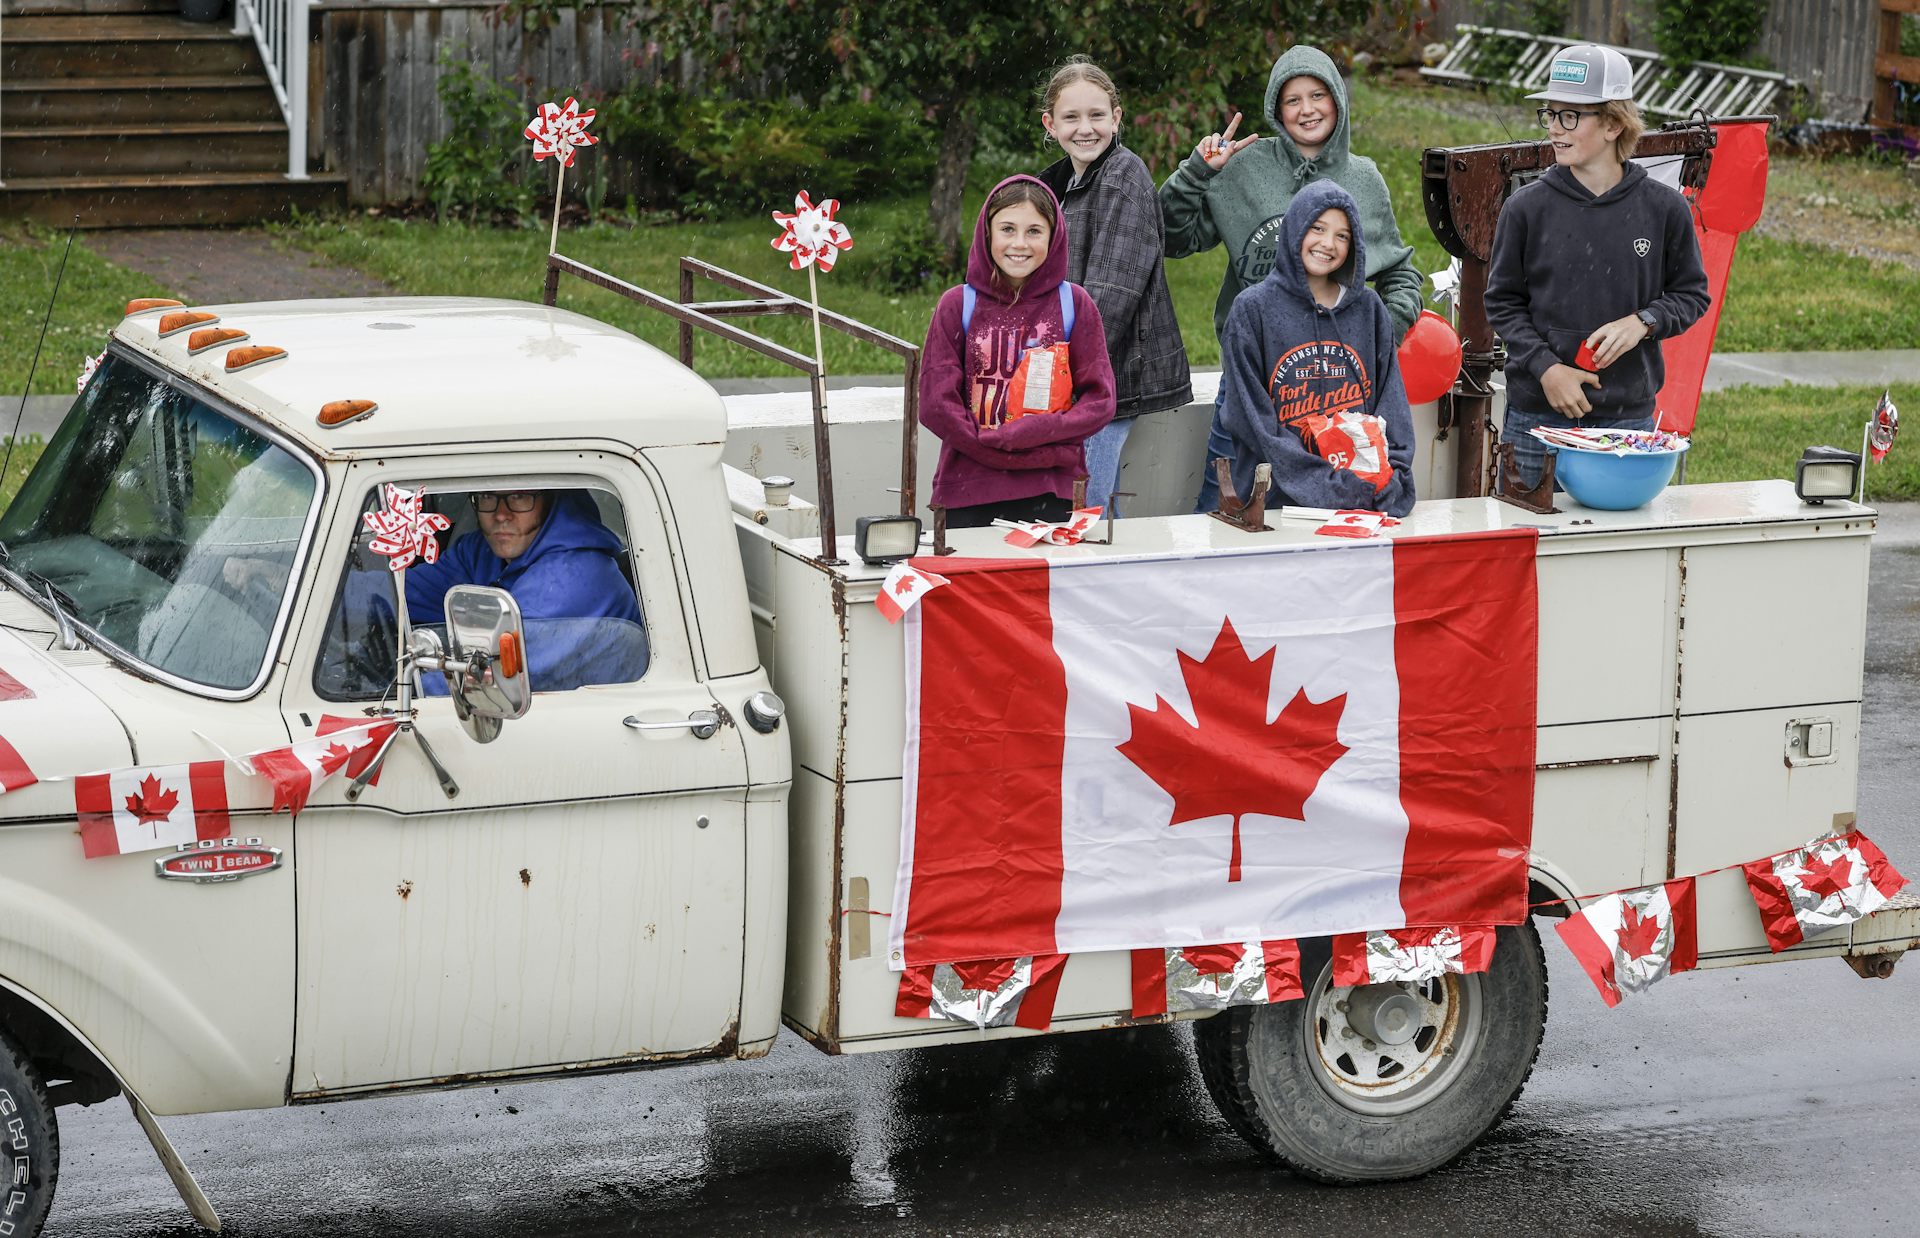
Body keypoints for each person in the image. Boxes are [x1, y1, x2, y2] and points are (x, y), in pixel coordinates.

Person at [1160, 45, 1423, 512]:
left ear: (1337, 101)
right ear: (1276, 110)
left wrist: (1378, 337)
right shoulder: (1243, 167)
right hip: (1252, 380)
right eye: (1292, 99)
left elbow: (1400, 273)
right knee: (1229, 503)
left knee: (1334, 506)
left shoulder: (1363, 178)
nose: (1307, 109)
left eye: (1317, 95)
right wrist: (1198, 174)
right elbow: (1171, 238)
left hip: (1337, 385)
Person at [1484, 43, 1710, 490]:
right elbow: (1503, 303)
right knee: (1530, 546)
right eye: (1550, 114)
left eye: (1570, 115)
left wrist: (1644, 322)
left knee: (1616, 553)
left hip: (1628, 421)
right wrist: (1548, 370)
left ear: (1612, 123)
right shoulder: (1525, 208)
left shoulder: (1664, 209)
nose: (1554, 128)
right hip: (1534, 420)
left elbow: (1691, 294)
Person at [1036, 57, 1191, 515]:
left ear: (1117, 118)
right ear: (1050, 123)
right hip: (1071, 372)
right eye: (1071, 117)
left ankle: (1106, 582)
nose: (1085, 129)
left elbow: (1112, 294)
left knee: (1089, 507)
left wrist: (1061, 370)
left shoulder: (1124, 176)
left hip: (1108, 378)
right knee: (1086, 505)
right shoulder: (1058, 184)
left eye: (1097, 116)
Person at [919, 175, 1117, 528]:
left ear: (1054, 237)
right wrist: (990, 446)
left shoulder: (1074, 304)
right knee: (970, 583)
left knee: (1046, 582)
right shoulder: (957, 304)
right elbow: (936, 404)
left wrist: (1033, 435)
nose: (1019, 244)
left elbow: (1099, 401)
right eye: (1007, 229)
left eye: (1034, 231)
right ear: (987, 233)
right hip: (967, 488)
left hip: (1051, 489)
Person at [1217, 180, 1414, 516]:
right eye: (1318, 228)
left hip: (1362, 498)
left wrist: (1391, 475)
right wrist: (1325, 484)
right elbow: (1252, 421)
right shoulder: (1252, 310)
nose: (1328, 244)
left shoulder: (1369, 308)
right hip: (1276, 504)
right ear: (1295, 229)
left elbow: (1391, 404)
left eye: (1342, 235)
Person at [402, 489, 648, 690]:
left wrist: (400, 688)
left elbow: (489, 679)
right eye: (488, 497)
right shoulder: (482, 552)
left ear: (552, 502)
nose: (501, 515)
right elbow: (403, 593)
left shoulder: (572, 576)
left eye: (519, 496)